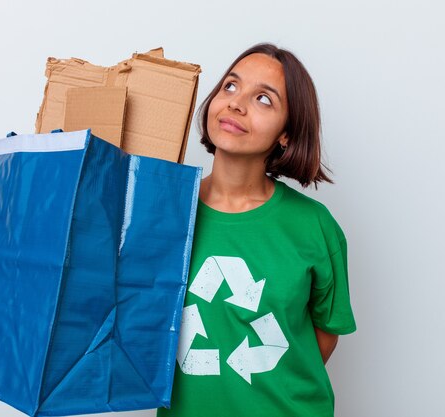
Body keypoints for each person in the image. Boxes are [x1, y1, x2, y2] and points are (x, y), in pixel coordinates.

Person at [157, 43, 356, 417]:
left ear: (286, 134)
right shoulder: (164, 211)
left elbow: (326, 333)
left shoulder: (314, 225)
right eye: (230, 86)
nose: (236, 103)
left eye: (264, 99)